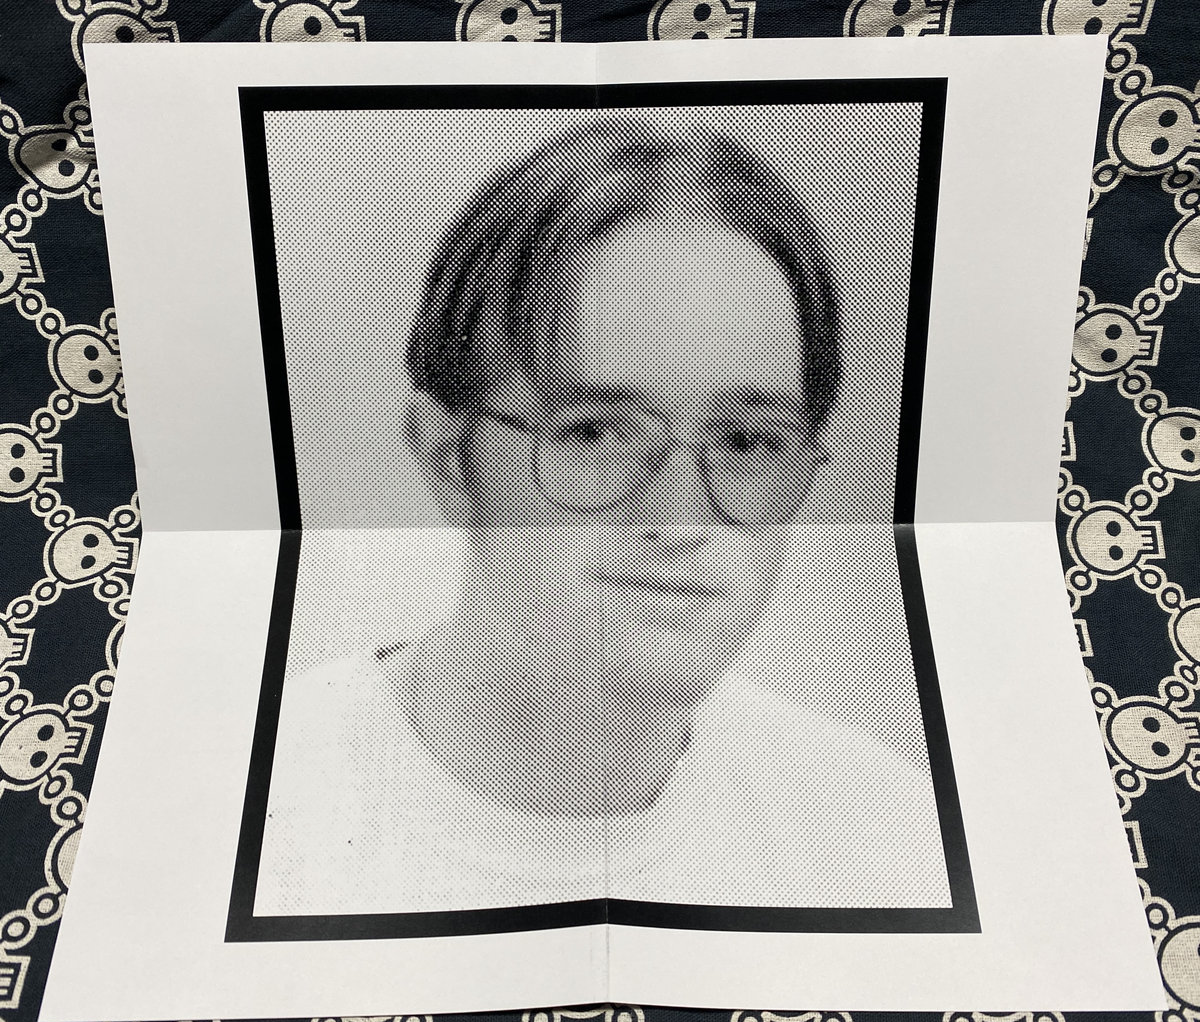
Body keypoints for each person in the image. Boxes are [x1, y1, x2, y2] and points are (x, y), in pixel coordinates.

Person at [256, 116, 951, 917]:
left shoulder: (886, 836)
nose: (681, 520)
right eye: (594, 433)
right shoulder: (257, 805)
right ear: (450, 458)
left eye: (748, 441)